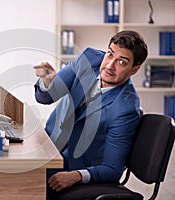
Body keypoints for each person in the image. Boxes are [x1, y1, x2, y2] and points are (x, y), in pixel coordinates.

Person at [34, 30, 148, 199]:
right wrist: (48, 82)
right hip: (48, 148)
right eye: (110, 54)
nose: (110, 66)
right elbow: (45, 97)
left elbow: (112, 169)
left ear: (134, 70)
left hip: (73, 167)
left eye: (122, 62)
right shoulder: (88, 58)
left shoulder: (126, 109)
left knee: (18, 184)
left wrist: (77, 175)